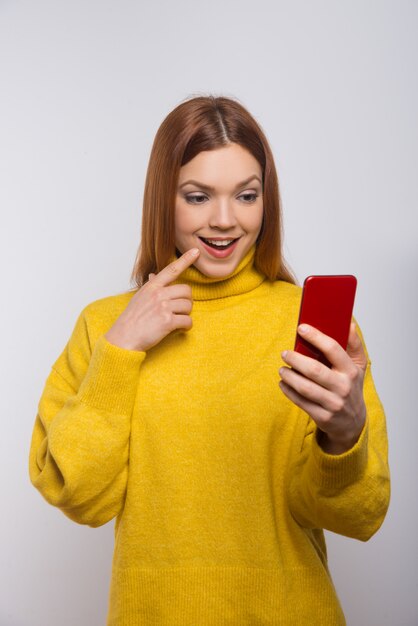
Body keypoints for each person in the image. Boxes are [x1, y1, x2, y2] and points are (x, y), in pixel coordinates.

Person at [29, 94, 390, 626]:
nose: (225, 221)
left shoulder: (306, 323)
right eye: (198, 196)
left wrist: (345, 435)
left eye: (246, 195)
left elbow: (360, 516)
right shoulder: (105, 325)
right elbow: (77, 494)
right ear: (162, 199)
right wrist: (121, 348)